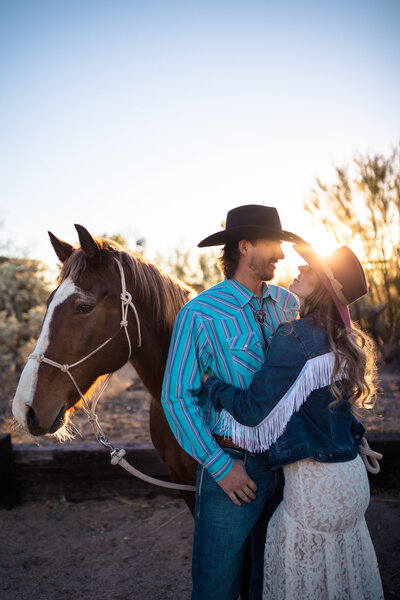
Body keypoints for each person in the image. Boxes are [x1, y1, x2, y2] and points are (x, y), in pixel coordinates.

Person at [202, 242, 384, 600]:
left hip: (315, 487)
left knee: (303, 584)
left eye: (309, 269)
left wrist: (214, 386)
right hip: (350, 479)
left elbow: (254, 410)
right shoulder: (343, 339)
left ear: (324, 287)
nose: (299, 270)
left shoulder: (296, 335)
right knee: (341, 579)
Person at [161, 205, 301, 600]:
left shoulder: (289, 303)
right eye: (274, 244)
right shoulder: (199, 314)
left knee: (273, 579)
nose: (281, 255)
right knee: (215, 586)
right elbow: (176, 397)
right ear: (244, 246)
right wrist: (221, 468)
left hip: (290, 465)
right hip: (234, 469)